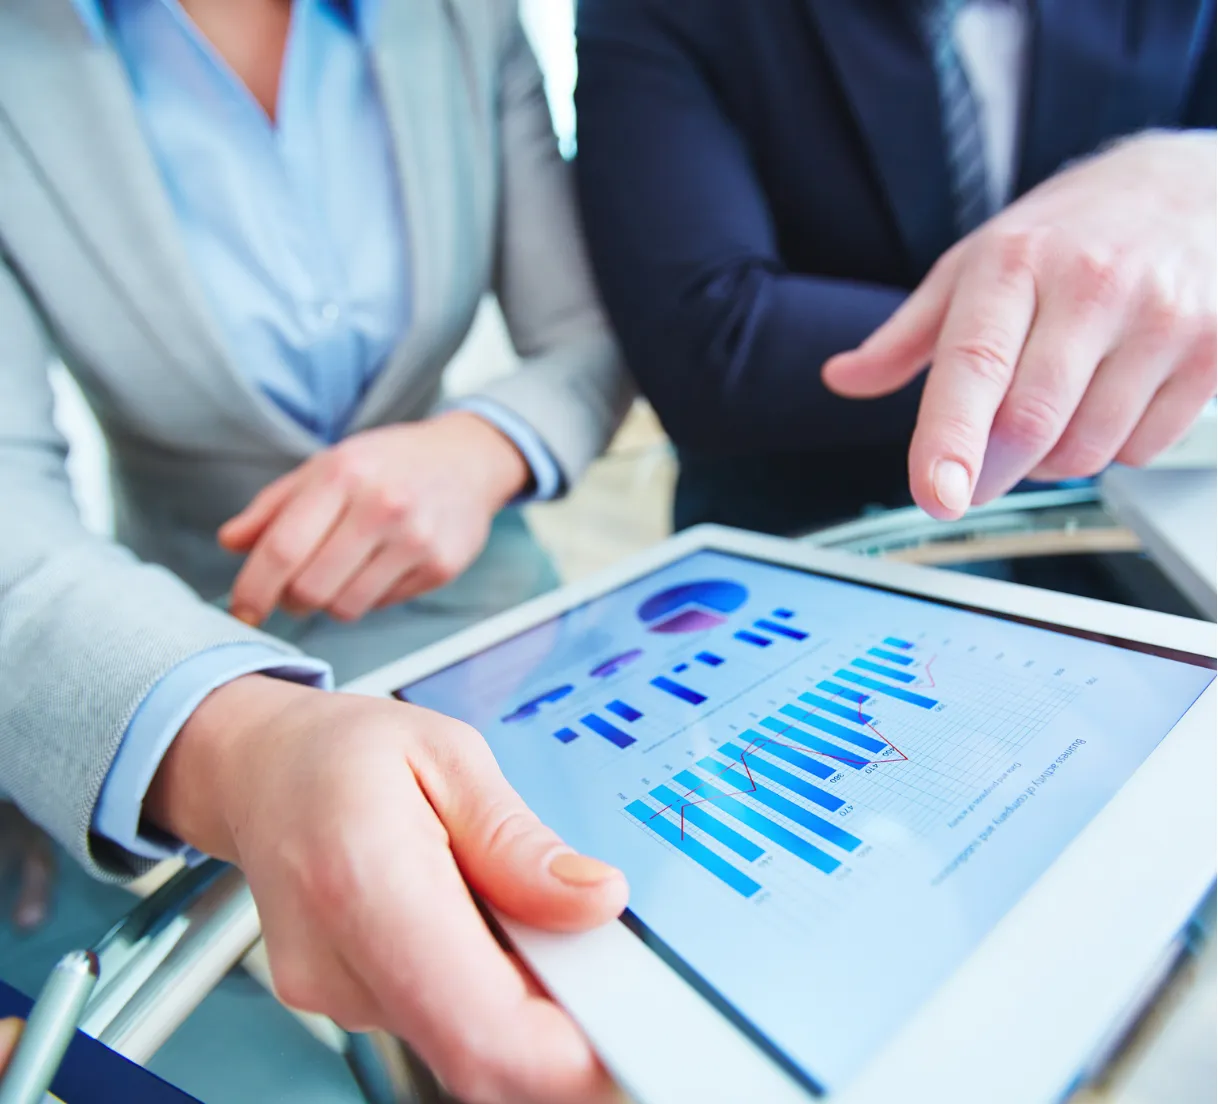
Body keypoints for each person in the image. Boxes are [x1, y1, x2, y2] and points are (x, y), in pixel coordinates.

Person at [0, 1, 632, 1100]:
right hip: (162, 666)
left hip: (487, 620)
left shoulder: (464, 19)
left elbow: (583, 336)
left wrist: (483, 446)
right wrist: (239, 741)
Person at [574, 0, 1217, 538]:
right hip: (806, 527)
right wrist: (1051, 346)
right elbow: (711, 339)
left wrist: (1195, 172)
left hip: (1155, 507)